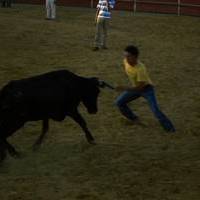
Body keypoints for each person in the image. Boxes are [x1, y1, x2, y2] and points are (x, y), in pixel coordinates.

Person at [115, 45, 175, 132]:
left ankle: (170, 129)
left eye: (128, 56)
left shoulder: (141, 69)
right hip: (136, 88)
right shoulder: (125, 62)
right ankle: (134, 119)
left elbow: (140, 87)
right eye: (125, 56)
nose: (126, 58)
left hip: (146, 89)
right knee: (119, 102)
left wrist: (124, 88)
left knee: (155, 110)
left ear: (135, 57)